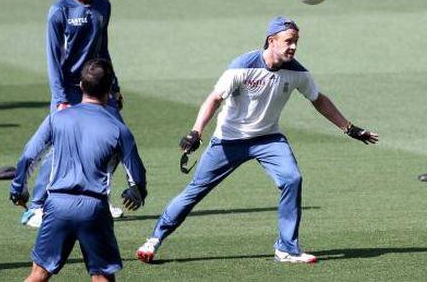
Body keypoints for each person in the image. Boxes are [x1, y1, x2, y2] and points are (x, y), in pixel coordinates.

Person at [136, 16, 378, 264]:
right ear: (271, 41)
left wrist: (349, 128)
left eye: (296, 42)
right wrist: (196, 132)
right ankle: (154, 239)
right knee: (195, 191)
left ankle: (286, 249)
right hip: (229, 141)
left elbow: (318, 99)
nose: (293, 47)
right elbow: (215, 98)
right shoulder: (242, 66)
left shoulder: (297, 72)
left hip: (268, 139)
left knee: (292, 179)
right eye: (288, 41)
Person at [9, 59, 147, 282]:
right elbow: (137, 175)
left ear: (81, 86)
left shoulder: (57, 119)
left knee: (38, 274)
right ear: (110, 89)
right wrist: (137, 191)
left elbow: (28, 156)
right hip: (94, 210)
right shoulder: (119, 130)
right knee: (102, 277)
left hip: (56, 206)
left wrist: (18, 189)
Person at [22, 0, 125, 228]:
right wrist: (60, 100)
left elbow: (103, 48)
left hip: (97, 88)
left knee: (115, 142)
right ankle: (35, 207)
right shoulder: (59, 11)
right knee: (59, 149)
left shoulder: (103, 5)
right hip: (68, 90)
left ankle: (100, 198)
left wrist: (113, 84)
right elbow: (53, 60)